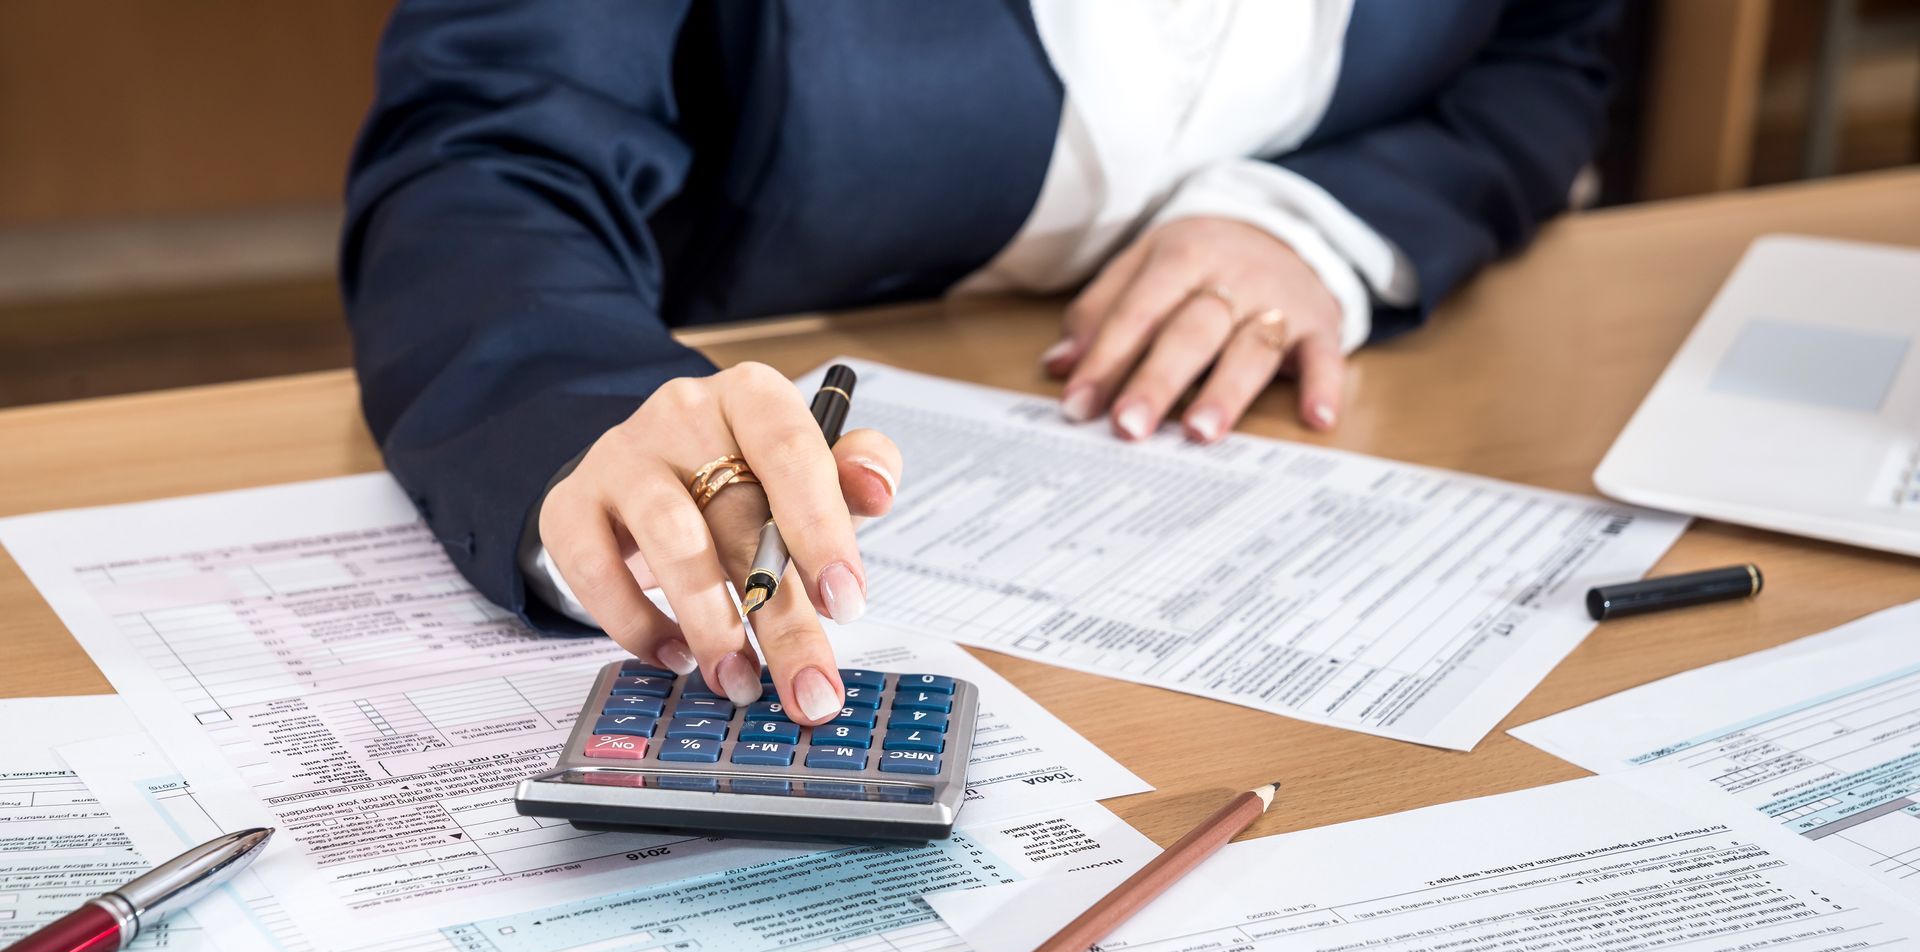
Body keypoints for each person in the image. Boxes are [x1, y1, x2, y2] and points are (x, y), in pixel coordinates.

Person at [343, 0, 1620, 727]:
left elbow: (1545, 48)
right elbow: (487, 159)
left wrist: (1318, 221)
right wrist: (602, 430)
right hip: (741, 378)